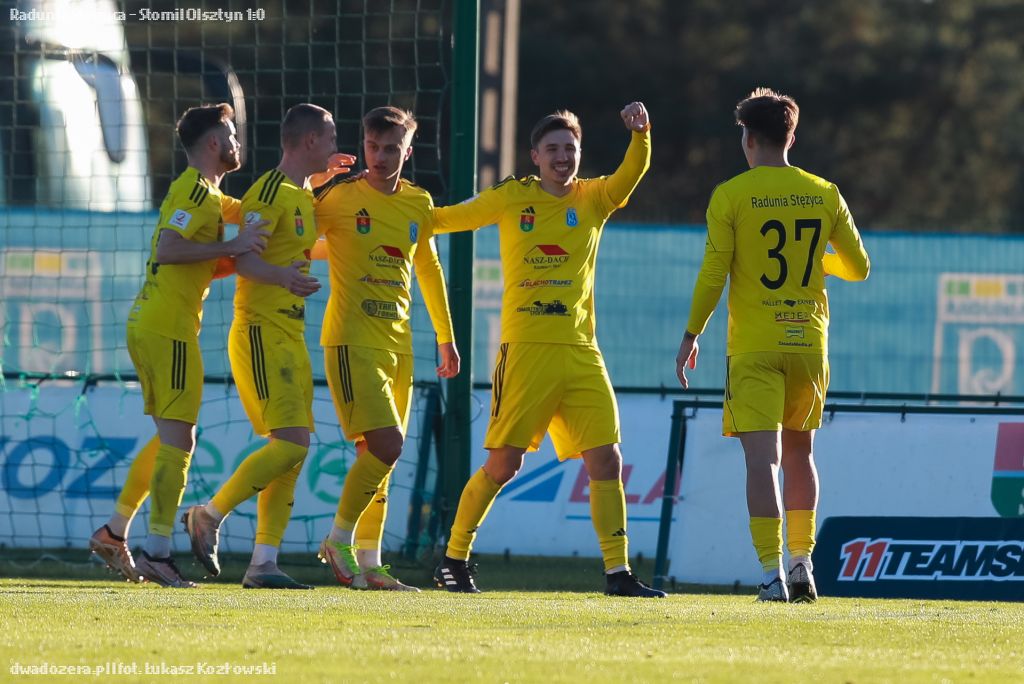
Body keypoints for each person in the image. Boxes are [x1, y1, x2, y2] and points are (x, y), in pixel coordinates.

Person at [430, 102, 666, 597]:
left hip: (581, 351)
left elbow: (632, 172)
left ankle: (618, 573)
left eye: (570, 148)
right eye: (553, 149)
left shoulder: (594, 198)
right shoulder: (513, 197)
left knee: (606, 459)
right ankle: (453, 559)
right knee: (504, 465)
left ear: (580, 153)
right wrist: (402, 211)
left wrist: (641, 134)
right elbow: (451, 218)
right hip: (527, 350)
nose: (562, 157)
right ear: (535, 155)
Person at [674, 88, 870, 602]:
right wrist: (819, 262)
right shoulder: (824, 192)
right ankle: (803, 563)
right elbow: (859, 267)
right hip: (808, 342)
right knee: (802, 453)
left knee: (763, 460)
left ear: (748, 138)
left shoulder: (731, 195)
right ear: (791, 138)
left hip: (755, 346)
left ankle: (770, 573)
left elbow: (714, 273)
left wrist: (692, 333)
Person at [89, 103, 270, 587]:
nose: (237, 142)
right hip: (166, 328)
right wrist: (232, 246)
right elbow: (169, 249)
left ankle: (115, 532)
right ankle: (157, 553)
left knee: (172, 438)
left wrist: (312, 188)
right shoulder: (194, 189)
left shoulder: (207, 194)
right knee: (179, 441)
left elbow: (209, 255)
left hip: (156, 323)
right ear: (213, 142)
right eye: (231, 134)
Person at [182, 103, 355, 589]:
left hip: (290, 333)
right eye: (330, 137)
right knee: (291, 444)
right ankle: (208, 515)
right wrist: (282, 277)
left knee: (293, 450)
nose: (335, 145)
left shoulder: (301, 192)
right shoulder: (268, 191)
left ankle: (263, 564)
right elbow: (244, 261)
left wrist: (326, 183)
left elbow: (297, 235)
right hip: (260, 331)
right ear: (309, 141)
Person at [312, 106, 460, 591]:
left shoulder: (418, 202)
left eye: (391, 148)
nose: (380, 156)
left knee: (381, 458)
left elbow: (429, 270)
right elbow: (295, 231)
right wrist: (317, 182)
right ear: (363, 146)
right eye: (373, 147)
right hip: (351, 341)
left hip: (399, 348)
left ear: (408, 152)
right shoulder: (340, 198)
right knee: (387, 446)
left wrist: (445, 336)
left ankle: (371, 564)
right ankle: (338, 540)